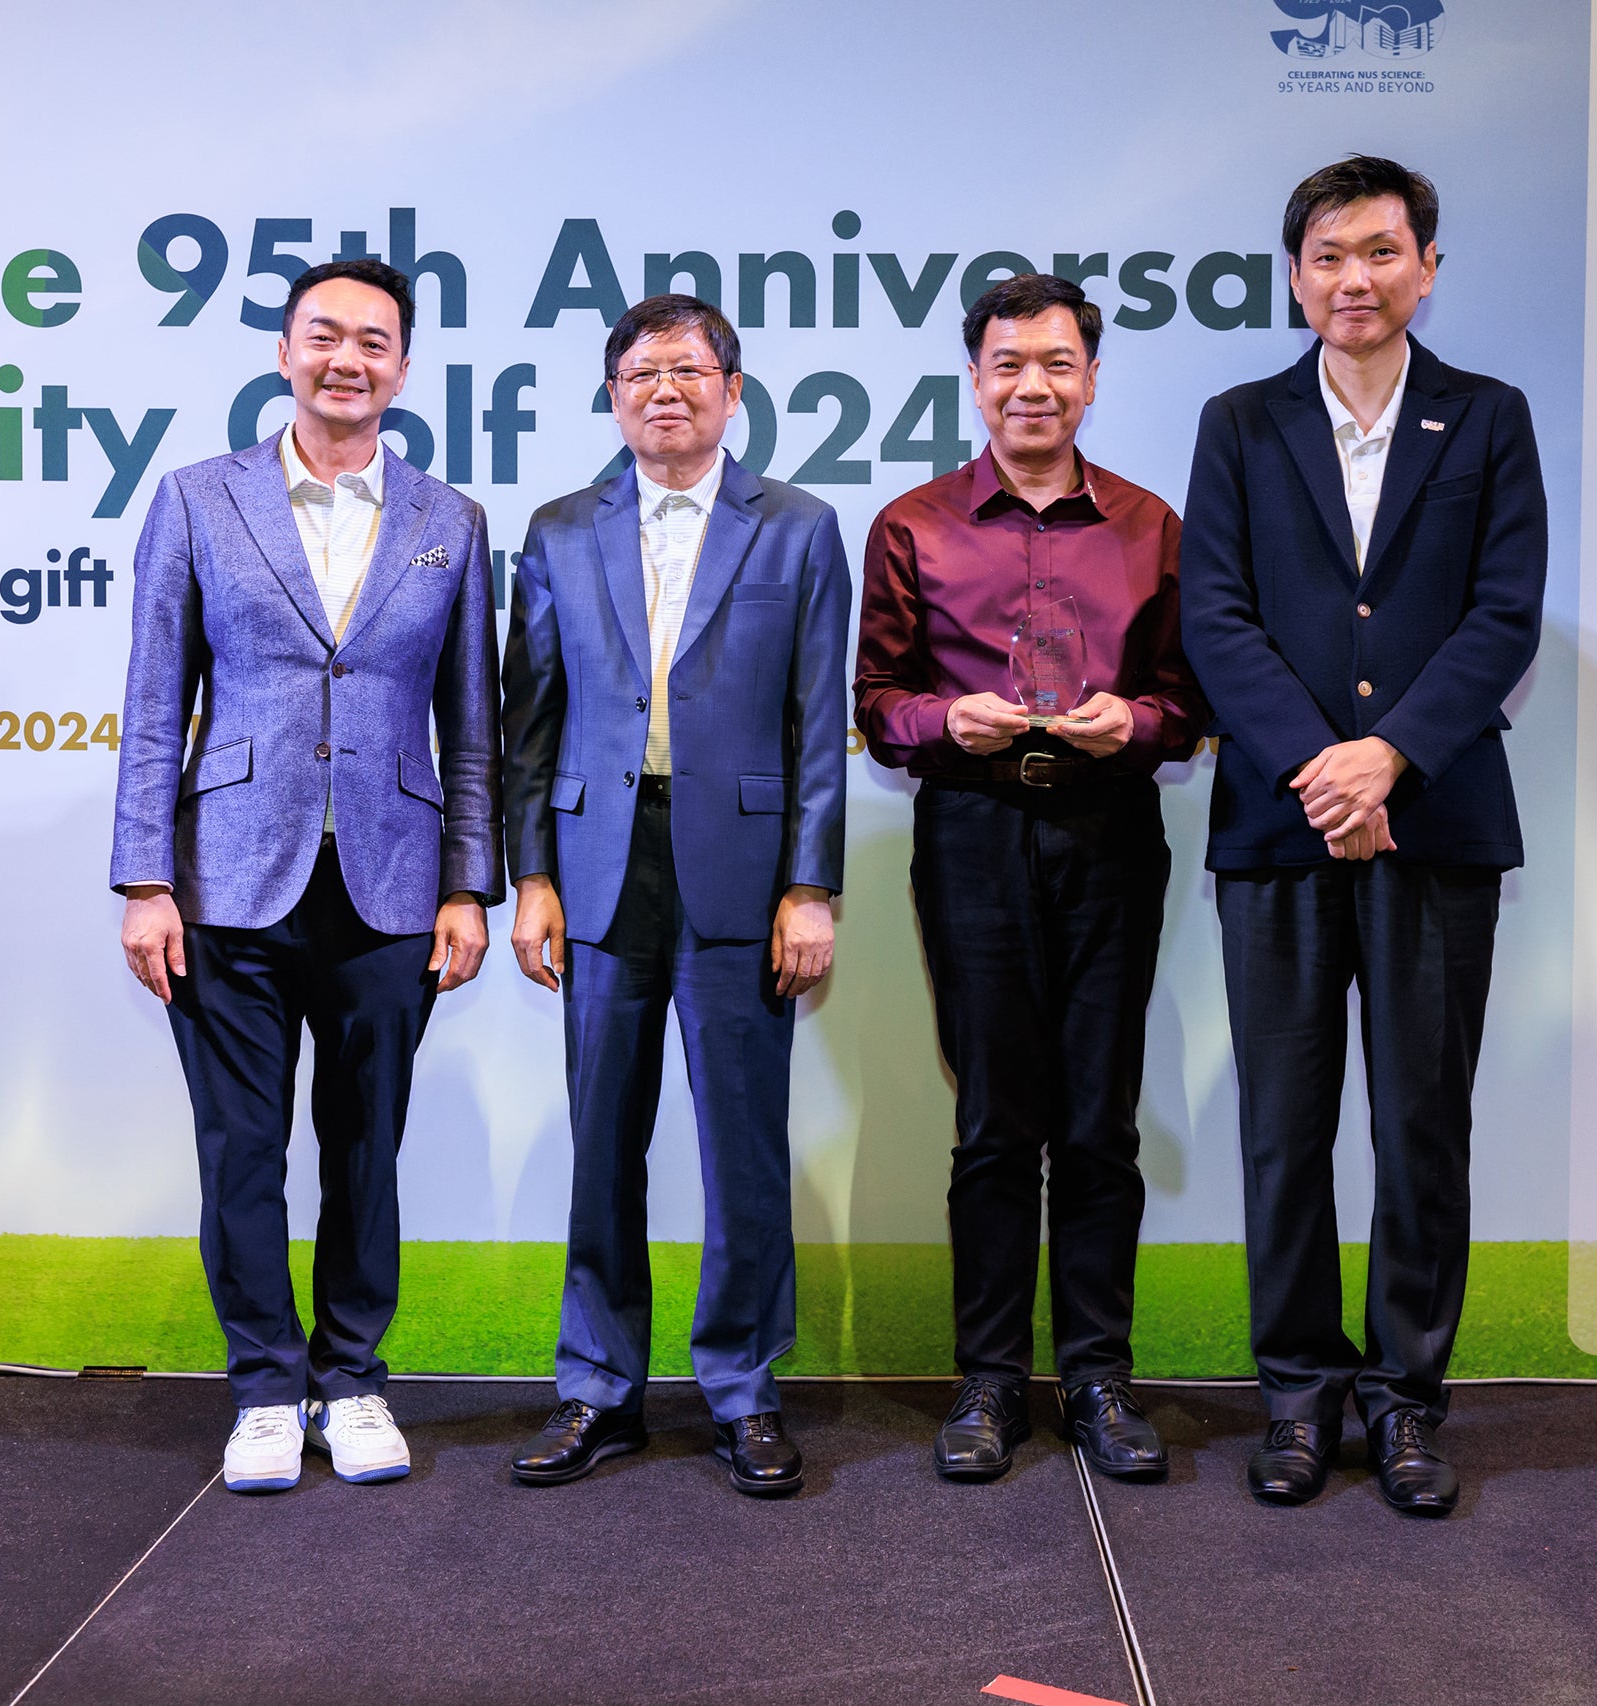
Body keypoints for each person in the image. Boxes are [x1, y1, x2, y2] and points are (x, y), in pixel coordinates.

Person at [1179, 157, 1547, 1515]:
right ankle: (1296, 1395)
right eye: (1329, 255)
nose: (1355, 278)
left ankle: (1404, 1400)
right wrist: (1320, 767)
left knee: (1418, 1126)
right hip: (1280, 829)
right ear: (1295, 276)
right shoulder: (1239, 422)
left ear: (1427, 268)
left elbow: (1504, 613)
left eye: (1382, 251)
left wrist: (1388, 755)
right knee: (1283, 1130)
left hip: (1434, 824)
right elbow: (1215, 615)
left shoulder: (1487, 417)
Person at [110, 258, 503, 1494]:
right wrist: (144, 879)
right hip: (228, 877)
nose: (348, 359)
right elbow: (152, 701)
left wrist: (466, 884)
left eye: (373, 341)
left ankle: (353, 1377)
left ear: (403, 368)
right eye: (324, 335)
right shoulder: (196, 496)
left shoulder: (451, 519)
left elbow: (471, 724)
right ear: (284, 354)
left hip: (392, 882)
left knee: (365, 1147)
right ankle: (265, 1390)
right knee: (242, 1148)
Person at [856, 273, 1205, 1485]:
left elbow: (1187, 699)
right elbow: (877, 699)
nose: (1032, 386)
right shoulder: (912, 523)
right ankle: (991, 1379)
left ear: (1092, 379)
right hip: (972, 827)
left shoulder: (1152, 525)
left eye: (1057, 363)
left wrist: (1137, 723)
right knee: (995, 1120)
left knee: (1100, 1119)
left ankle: (1099, 1375)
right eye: (1007, 364)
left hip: (1110, 826)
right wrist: (944, 721)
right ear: (975, 379)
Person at [500, 294, 851, 1498]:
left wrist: (810, 883)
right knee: (603, 1138)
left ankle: (744, 1389)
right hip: (598, 868)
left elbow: (816, 724)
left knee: (742, 1143)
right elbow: (528, 723)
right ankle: (599, 1384)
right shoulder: (557, 529)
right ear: (613, 396)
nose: (666, 389)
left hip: (745, 874)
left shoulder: (798, 527)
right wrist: (531, 875)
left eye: (690, 370)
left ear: (732, 391)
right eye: (641, 372)